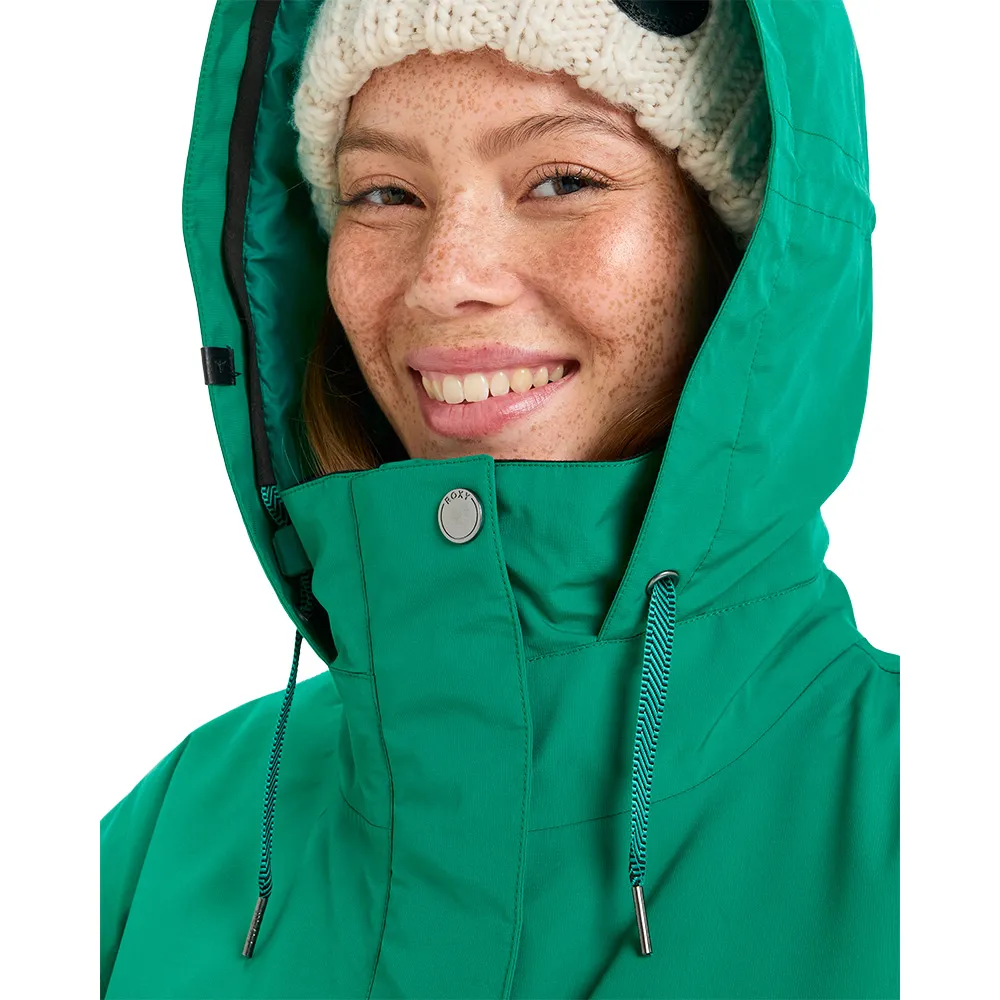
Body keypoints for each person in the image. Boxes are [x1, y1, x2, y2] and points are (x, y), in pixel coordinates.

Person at [100, 0, 900, 997]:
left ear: (743, 251)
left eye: (562, 180)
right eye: (384, 192)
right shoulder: (167, 839)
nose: (445, 279)